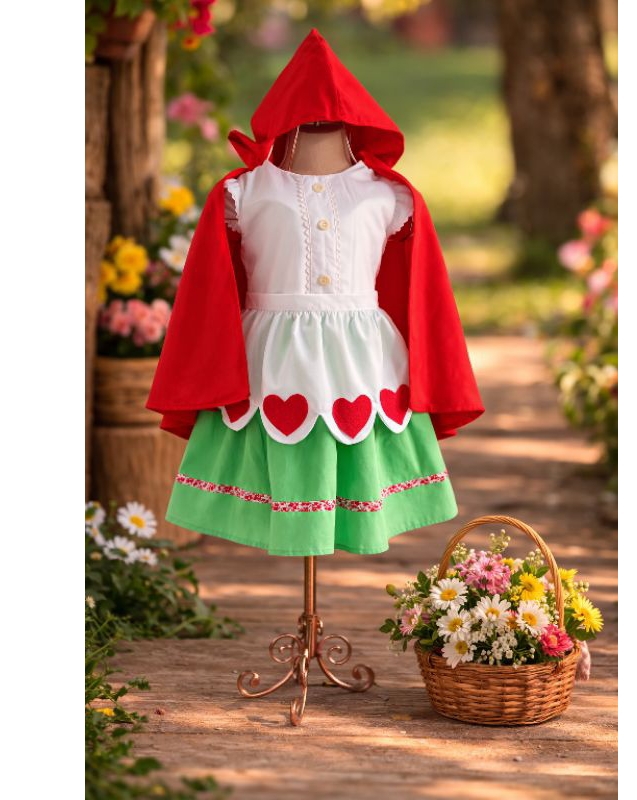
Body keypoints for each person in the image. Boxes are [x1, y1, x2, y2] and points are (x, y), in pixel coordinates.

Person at [146, 29, 484, 557]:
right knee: (282, 440)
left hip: (361, 351)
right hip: (273, 349)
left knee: (355, 436)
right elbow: (207, 291)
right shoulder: (243, 191)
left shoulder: (389, 195)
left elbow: (426, 295)